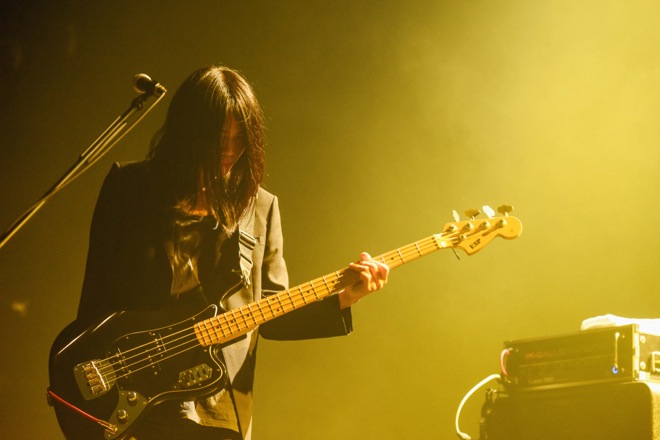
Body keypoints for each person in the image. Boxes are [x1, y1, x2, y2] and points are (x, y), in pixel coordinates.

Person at [76, 65, 389, 440]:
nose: (229, 150)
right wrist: (82, 387)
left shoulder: (259, 208)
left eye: (241, 139)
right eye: (219, 136)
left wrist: (344, 298)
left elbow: (270, 314)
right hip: (134, 397)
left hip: (220, 408)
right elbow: (96, 298)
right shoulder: (130, 187)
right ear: (189, 129)